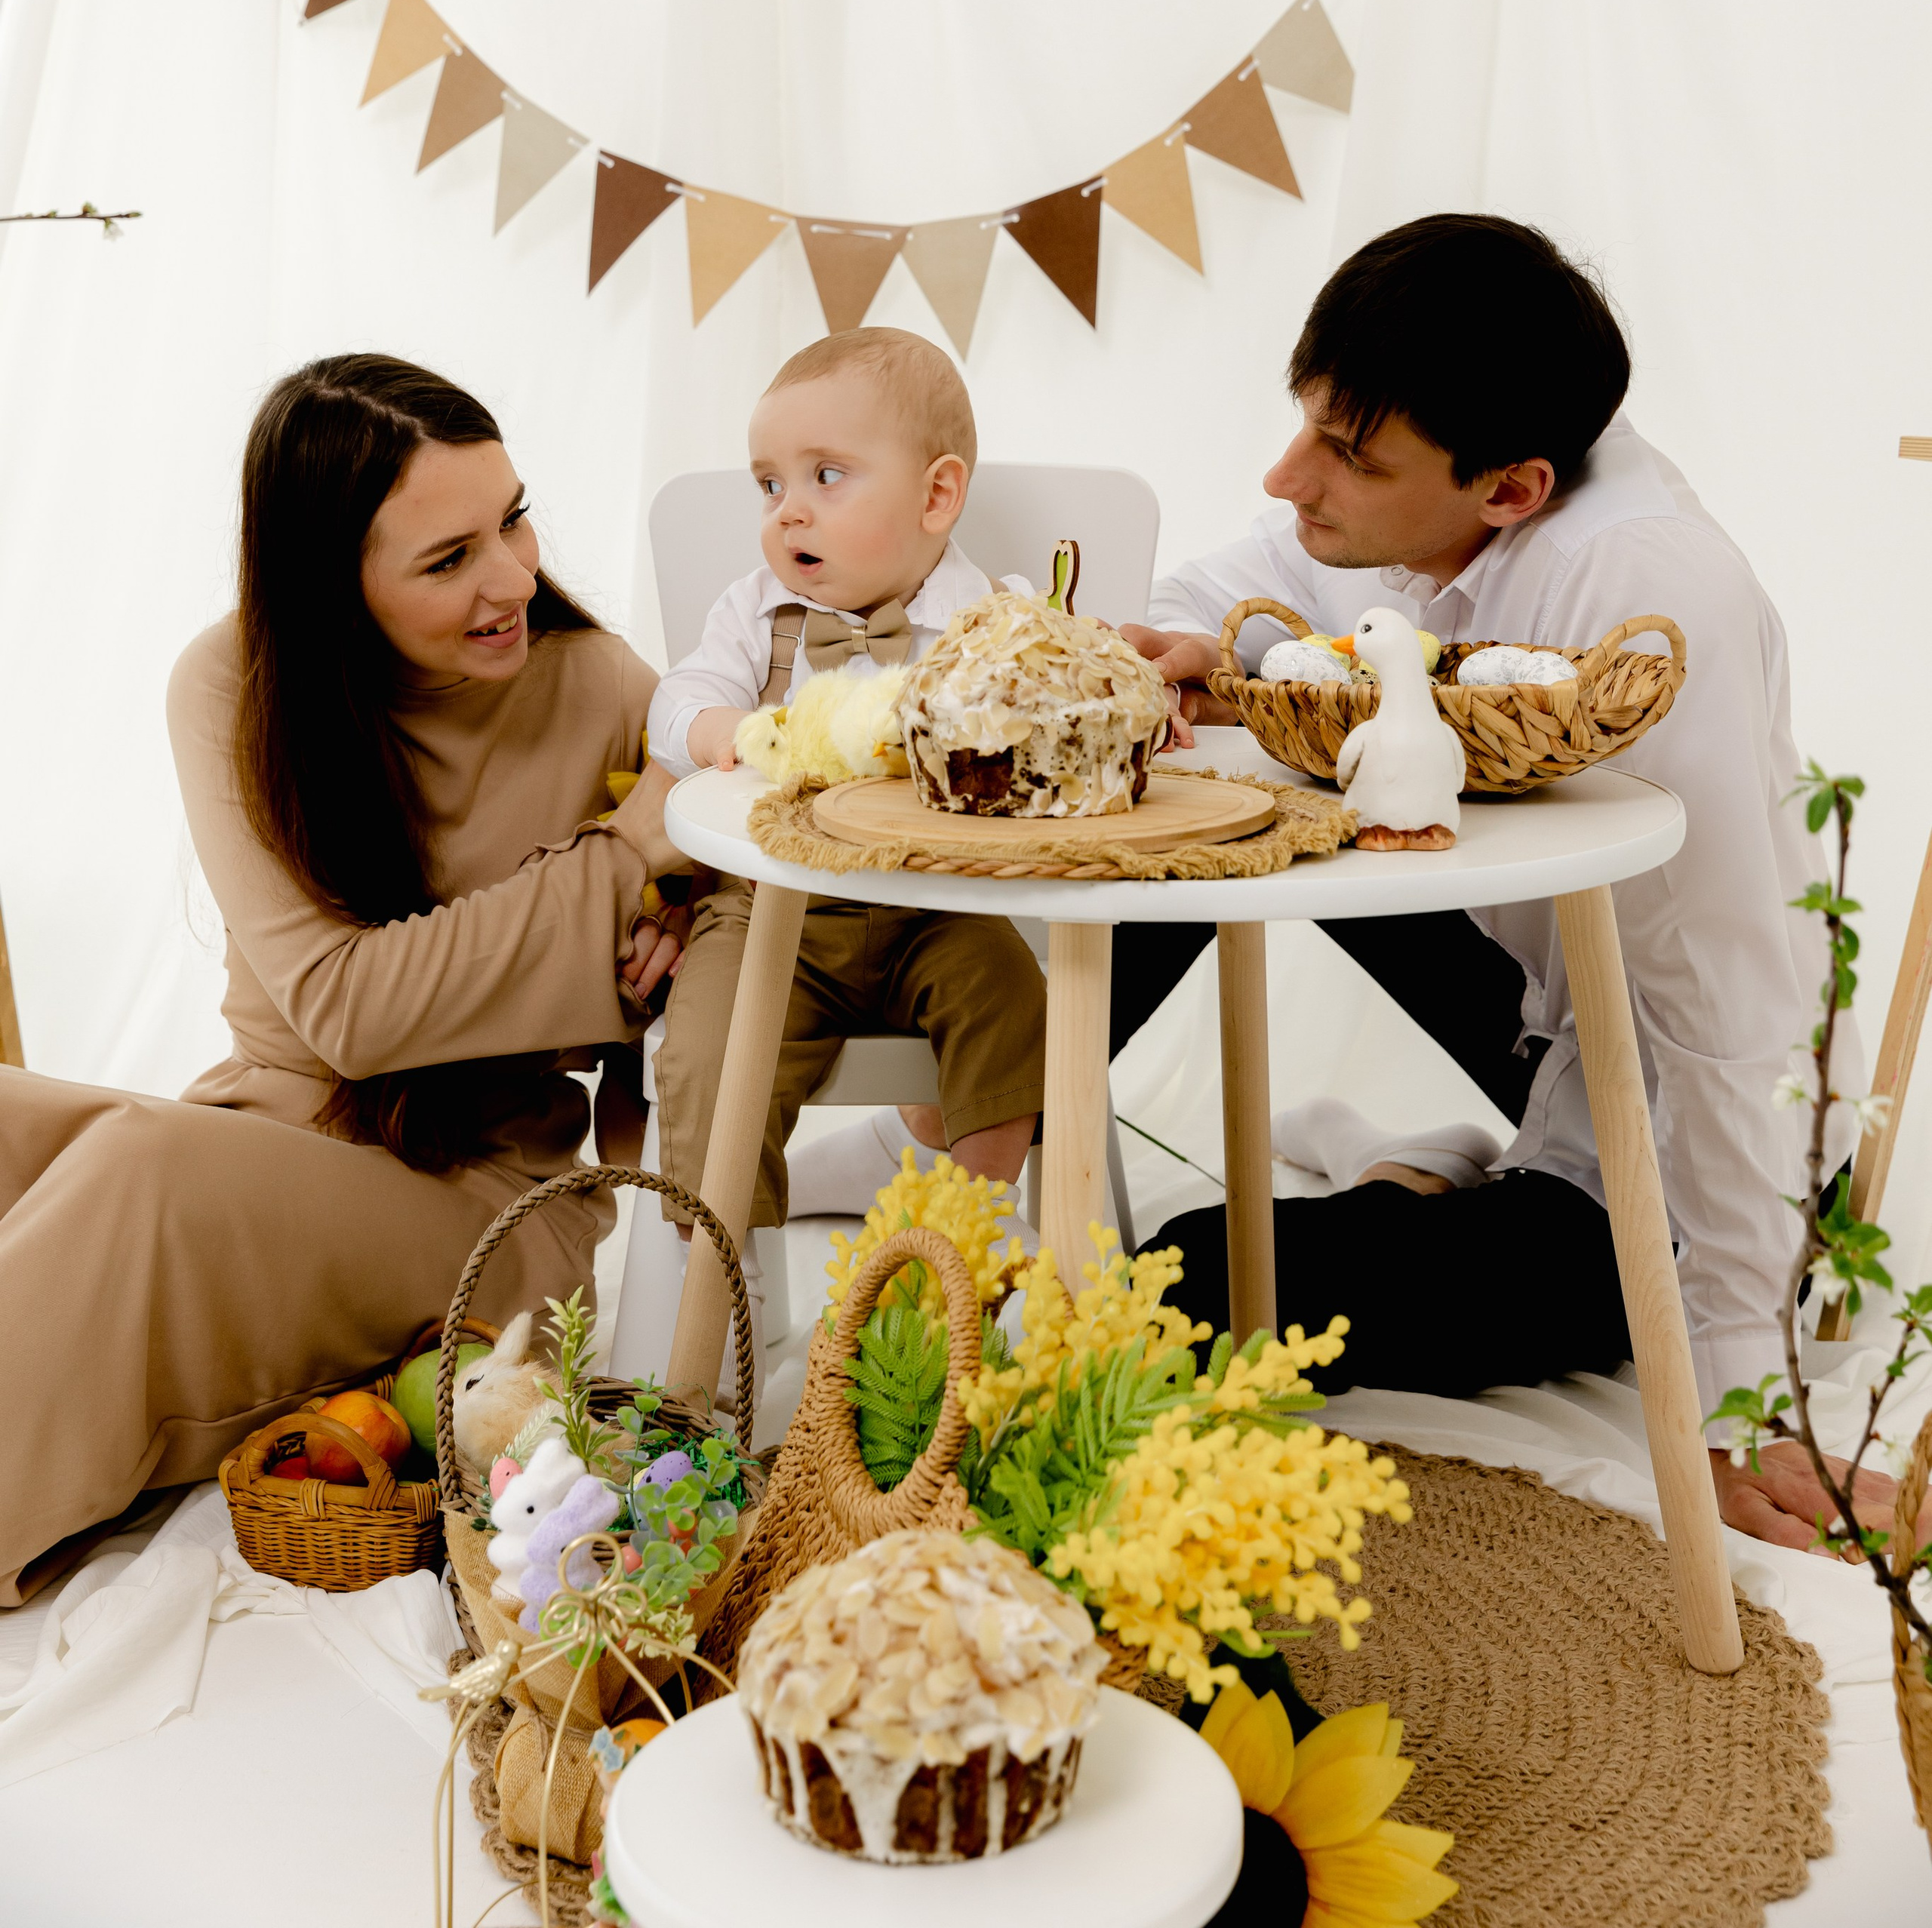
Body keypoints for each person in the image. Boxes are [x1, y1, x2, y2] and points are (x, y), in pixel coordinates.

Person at [1120, 213, 1896, 1557]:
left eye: (1350, 457)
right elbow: (1256, 571)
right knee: (1211, 809)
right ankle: (990, 1119)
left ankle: (1425, 1183)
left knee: (1184, 1282)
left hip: (1665, 1135)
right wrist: (1193, 639)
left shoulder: (1646, 599)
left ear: (1514, 491)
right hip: (1544, 994)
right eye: (1309, 426)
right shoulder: (1445, 478)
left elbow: (1730, 1010)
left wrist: (1743, 1399)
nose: (1290, 474)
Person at [0, 353, 685, 1605]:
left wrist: (681, 913)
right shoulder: (231, 683)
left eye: (514, 520)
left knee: (136, 1175)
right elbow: (346, 1009)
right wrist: (616, 864)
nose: (511, 580)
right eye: (449, 559)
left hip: (485, 1198)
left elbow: (749, 857)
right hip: (270, 1129)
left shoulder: (603, 687)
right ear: (331, 583)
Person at [647, 327, 1046, 1247]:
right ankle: (725, 1274)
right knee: (709, 1046)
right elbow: (679, 700)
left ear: (936, 496)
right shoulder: (755, 612)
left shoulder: (993, 619)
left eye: (826, 476)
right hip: (771, 913)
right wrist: (722, 729)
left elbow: (1041, 724)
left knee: (1012, 999)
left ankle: (966, 1238)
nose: (788, 512)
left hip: (936, 907)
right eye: (769, 485)